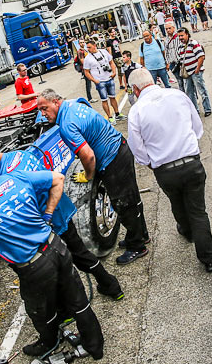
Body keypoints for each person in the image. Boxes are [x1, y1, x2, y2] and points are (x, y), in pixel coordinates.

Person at [0, 163, 104, 359]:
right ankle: (95, 346)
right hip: (57, 246)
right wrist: (48, 214)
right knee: (78, 300)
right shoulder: (14, 177)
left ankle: (49, 343)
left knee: (38, 310)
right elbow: (58, 179)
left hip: (35, 267)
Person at [0, 138, 123, 299]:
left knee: (73, 259)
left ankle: (107, 286)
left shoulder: (8, 176)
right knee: (78, 254)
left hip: (52, 220)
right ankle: (108, 286)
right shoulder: (19, 154)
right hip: (59, 211)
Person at [37, 90, 150, 265]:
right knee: (132, 197)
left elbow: (88, 156)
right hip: (121, 149)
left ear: (56, 102)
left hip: (112, 159)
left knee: (123, 204)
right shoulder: (73, 106)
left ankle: (137, 246)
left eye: (44, 108)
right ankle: (141, 235)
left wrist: (88, 176)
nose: (43, 114)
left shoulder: (66, 125)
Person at [126, 68, 212, 272]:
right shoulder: (177, 95)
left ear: (135, 89)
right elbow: (197, 128)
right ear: (153, 80)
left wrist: (151, 162)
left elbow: (137, 149)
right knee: (198, 211)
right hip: (191, 163)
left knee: (176, 201)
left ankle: (186, 230)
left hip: (165, 170)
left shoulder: (137, 111)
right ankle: (207, 259)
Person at [82, 41, 123, 122]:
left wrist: (114, 72)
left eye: (89, 47)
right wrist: (94, 80)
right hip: (100, 82)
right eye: (87, 47)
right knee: (104, 100)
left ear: (95, 45)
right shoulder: (88, 58)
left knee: (112, 97)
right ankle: (110, 117)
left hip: (109, 78)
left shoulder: (103, 52)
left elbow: (111, 62)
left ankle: (117, 114)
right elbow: (86, 72)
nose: (88, 49)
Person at [177, 28, 212, 117]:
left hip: (195, 72)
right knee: (189, 92)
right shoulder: (180, 47)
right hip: (187, 74)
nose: (181, 37)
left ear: (187, 35)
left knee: (201, 90)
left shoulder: (193, 44)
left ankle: (207, 109)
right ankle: (195, 111)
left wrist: (197, 69)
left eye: (182, 35)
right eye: (179, 36)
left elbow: (201, 57)